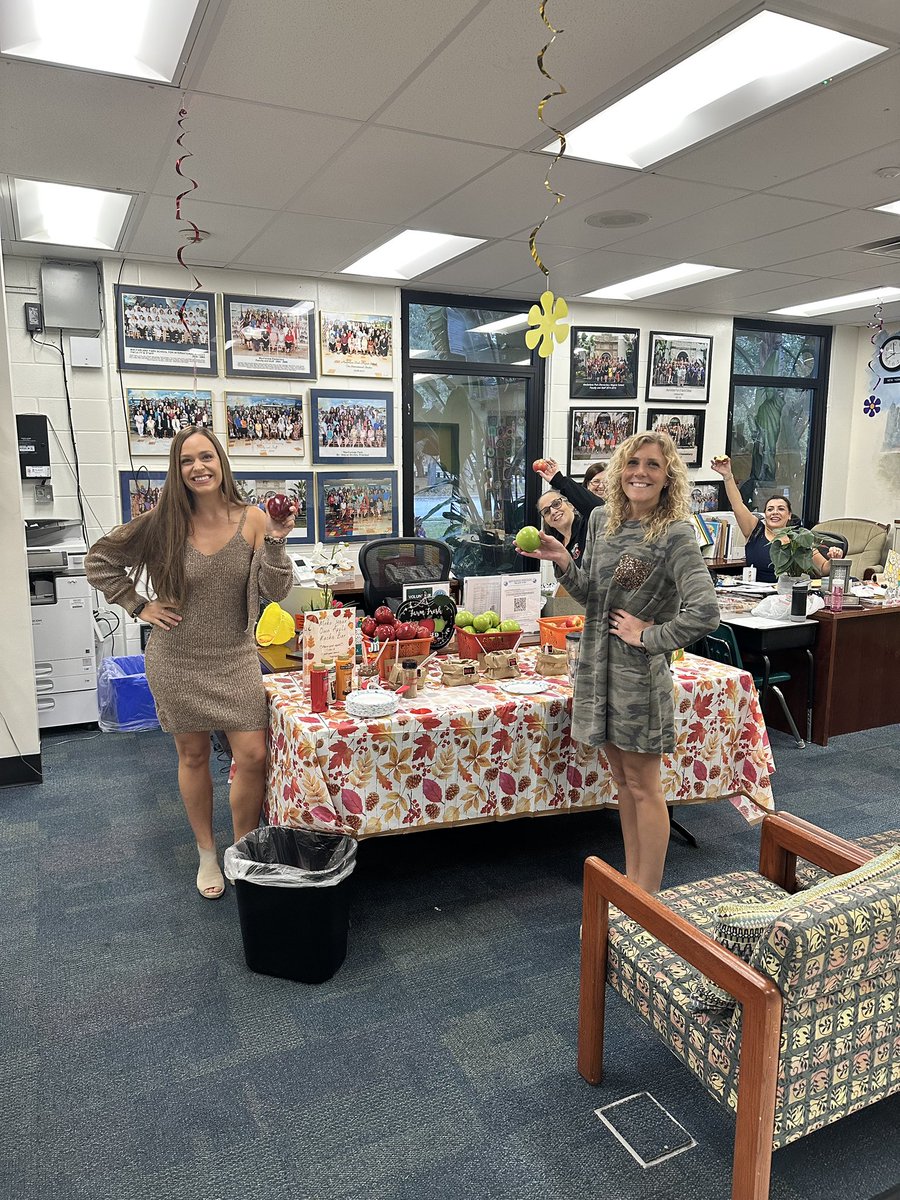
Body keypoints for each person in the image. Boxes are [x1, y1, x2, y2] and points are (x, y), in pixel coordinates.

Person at [85, 427, 295, 900]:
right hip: (177, 658)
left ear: (221, 462)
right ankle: (206, 852)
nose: (198, 467)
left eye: (206, 457)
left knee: (253, 756)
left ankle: (241, 849)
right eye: (186, 461)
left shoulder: (254, 519)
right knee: (193, 755)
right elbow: (99, 560)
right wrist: (139, 606)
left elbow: (277, 591)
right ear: (177, 471)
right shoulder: (161, 523)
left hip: (236, 656)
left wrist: (278, 541)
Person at [518, 432, 720, 892]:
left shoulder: (674, 533)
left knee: (645, 786)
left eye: (652, 465)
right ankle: (634, 885)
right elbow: (593, 595)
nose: (640, 473)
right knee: (623, 784)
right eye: (632, 463)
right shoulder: (602, 520)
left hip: (638, 676)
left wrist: (650, 636)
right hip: (596, 668)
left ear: (668, 475)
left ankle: (647, 898)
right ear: (618, 469)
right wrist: (562, 560)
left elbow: (705, 611)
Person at [709, 455, 843, 583]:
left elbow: (823, 569)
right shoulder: (754, 530)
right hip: (755, 594)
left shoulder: (800, 538)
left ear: (789, 515)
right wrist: (727, 476)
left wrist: (834, 559)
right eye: (770, 509)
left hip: (788, 595)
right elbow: (737, 504)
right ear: (765, 514)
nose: (775, 512)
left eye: (781, 509)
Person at [534, 456, 607, 516]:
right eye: (596, 481)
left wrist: (559, 480)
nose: (601, 486)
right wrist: (558, 480)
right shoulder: (573, 511)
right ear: (587, 484)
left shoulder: (614, 511)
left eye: (606, 482)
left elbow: (598, 509)